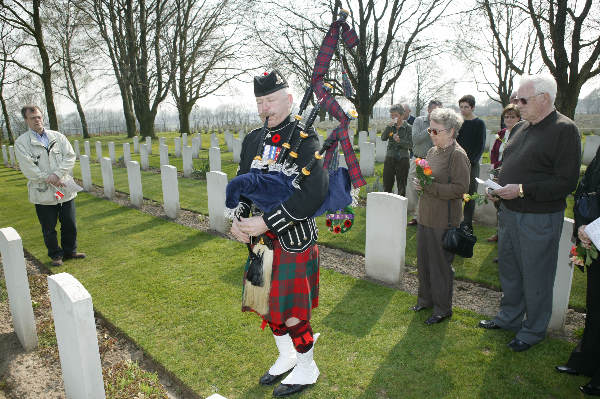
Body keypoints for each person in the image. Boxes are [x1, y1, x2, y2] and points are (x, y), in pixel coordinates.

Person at [230, 70, 328, 397]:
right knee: (264, 302)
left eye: (270, 100)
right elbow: (244, 184)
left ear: (288, 99)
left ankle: (307, 365)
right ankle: (287, 355)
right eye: (259, 102)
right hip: (259, 242)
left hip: (292, 239)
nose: (264, 108)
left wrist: (267, 222)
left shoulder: (306, 140)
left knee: (290, 311)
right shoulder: (253, 140)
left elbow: (312, 195)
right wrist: (239, 219)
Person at [478, 74, 581, 352]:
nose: (516, 105)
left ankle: (533, 329)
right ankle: (509, 317)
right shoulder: (522, 127)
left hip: (539, 216)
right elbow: (510, 163)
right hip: (509, 212)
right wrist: (496, 184)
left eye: (522, 100)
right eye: (515, 99)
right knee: (510, 269)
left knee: (536, 274)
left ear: (544, 98)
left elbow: (566, 182)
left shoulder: (564, 130)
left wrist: (522, 189)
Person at [410, 108, 470, 325]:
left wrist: (431, 187)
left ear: (451, 131)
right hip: (426, 215)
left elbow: (460, 188)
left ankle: (442, 308)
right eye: (430, 130)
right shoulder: (432, 152)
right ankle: (425, 299)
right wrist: (421, 184)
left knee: (440, 266)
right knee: (424, 262)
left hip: (443, 219)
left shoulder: (457, 155)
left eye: (436, 131)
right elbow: (427, 179)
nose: (432, 135)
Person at [13, 105, 85, 267]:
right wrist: (49, 178)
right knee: (48, 227)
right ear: (26, 120)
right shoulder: (22, 143)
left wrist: (57, 174)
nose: (37, 120)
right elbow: (29, 168)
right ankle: (55, 255)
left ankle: (70, 251)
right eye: (32, 118)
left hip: (64, 187)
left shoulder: (57, 136)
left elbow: (70, 156)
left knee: (69, 223)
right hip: (43, 191)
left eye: (39, 117)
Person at [554, 146, 600, 396]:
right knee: (595, 308)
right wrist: (583, 227)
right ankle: (585, 361)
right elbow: (587, 189)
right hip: (594, 235)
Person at [487, 104, 521, 243]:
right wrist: (494, 172)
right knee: (498, 204)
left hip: (513, 173)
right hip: (498, 171)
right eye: (506, 117)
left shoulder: (520, 134)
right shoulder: (501, 134)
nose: (509, 119)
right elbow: (494, 152)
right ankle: (499, 232)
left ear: (519, 118)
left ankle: (509, 237)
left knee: (508, 206)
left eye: (512, 117)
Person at [406, 99, 442, 226]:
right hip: (418, 159)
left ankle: (429, 216)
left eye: (438, 111)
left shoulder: (442, 124)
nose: (435, 113)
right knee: (414, 188)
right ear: (428, 110)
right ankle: (417, 215)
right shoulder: (419, 121)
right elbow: (416, 139)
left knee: (430, 188)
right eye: (433, 110)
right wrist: (430, 128)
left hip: (433, 161)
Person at [456, 94, 486, 230]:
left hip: (472, 165)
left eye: (466, 107)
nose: (463, 109)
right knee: (456, 192)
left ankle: (467, 223)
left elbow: (480, 146)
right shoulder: (458, 123)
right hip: (457, 163)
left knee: (469, 194)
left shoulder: (479, 124)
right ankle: (454, 220)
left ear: (472, 107)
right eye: (461, 107)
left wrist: (470, 162)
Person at [381, 104, 412, 195]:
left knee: (401, 185)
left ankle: (400, 207)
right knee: (387, 184)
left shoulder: (408, 128)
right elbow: (383, 138)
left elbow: (411, 144)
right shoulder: (390, 127)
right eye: (391, 115)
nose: (393, 117)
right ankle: (387, 206)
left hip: (403, 159)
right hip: (390, 158)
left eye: (395, 115)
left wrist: (399, 141)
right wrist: (388, 127)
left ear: (402, 116)